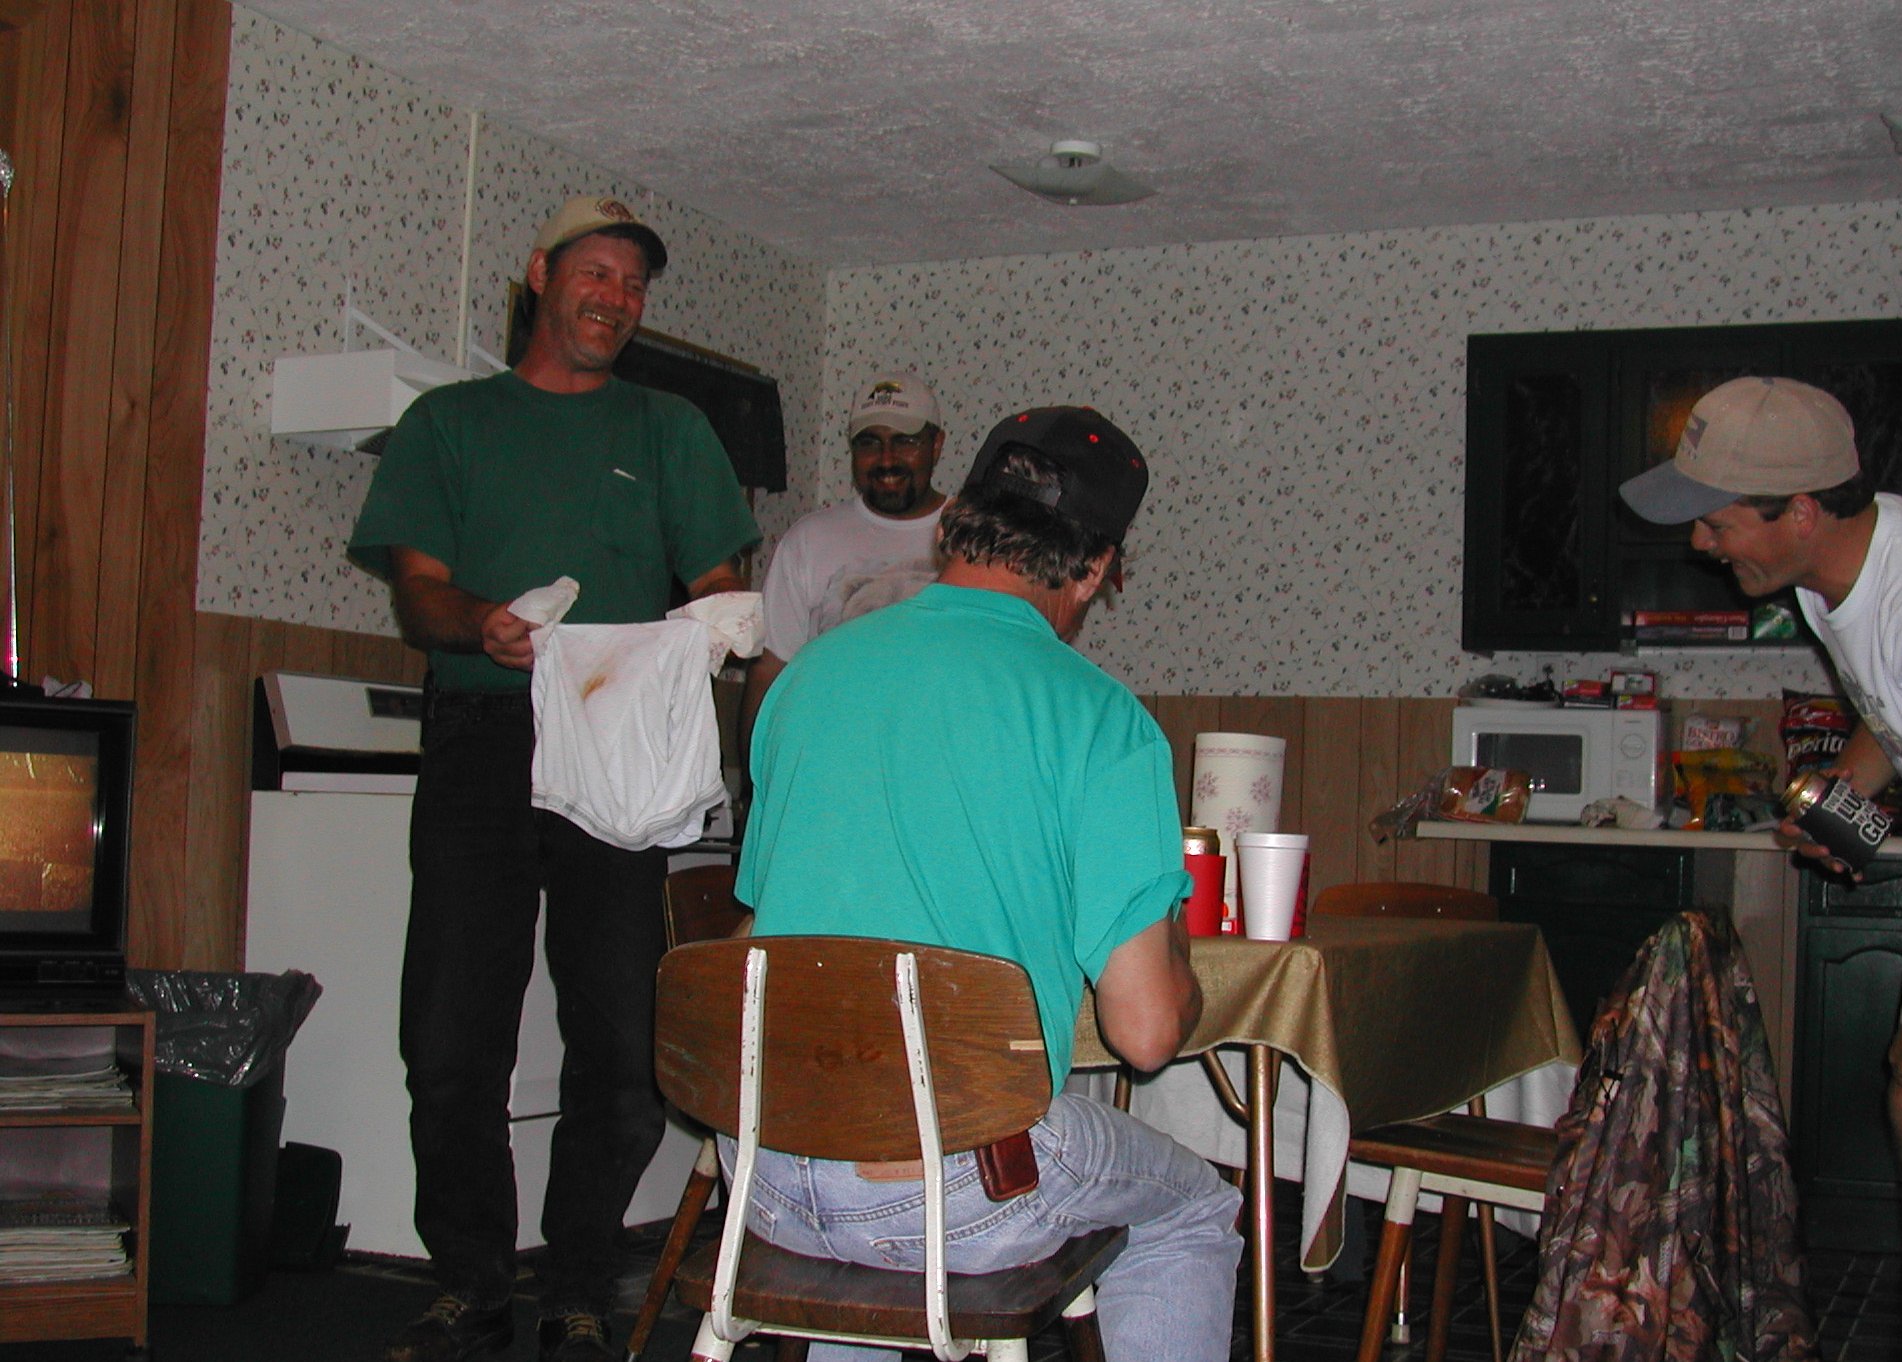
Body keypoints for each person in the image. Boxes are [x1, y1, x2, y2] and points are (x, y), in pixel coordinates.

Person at [737, 406, 1243, 1362]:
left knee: (880, 1193)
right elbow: (1143, 1035)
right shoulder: (1100, 719)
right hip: (960, 1193)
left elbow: (761, 937)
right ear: (1095, 568)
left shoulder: (806, 679)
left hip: (763, 1178)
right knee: (1193, 1211)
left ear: (953, 522)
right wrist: (1172, 944)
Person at [348, 195, 760, 1362]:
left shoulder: (670, 428)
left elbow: (718, 579)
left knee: (623, 1045)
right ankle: (471, 1280)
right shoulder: (450, 423)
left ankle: (580, 1282)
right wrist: (480, 622)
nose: (615, 298)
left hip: (617, 746)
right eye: (595, 273)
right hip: (481, 737)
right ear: (541, 275)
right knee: (450, 1035)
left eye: (633, 284)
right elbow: (418, 589)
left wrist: (715, 625)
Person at [1618, 375, 1902, 1313]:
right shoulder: (1835, 578)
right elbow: (1892, 716)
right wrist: (1837, 804)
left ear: (1801, 511)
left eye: (1717, 522)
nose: (1701, 544)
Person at [738, 371, 947, 746]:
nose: (886, 460)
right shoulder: (809, 540)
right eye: (869, 443)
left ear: (936, 446)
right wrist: (754, 776)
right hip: (833, 755)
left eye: (905, 441)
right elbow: (770, 670)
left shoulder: (976, 538)